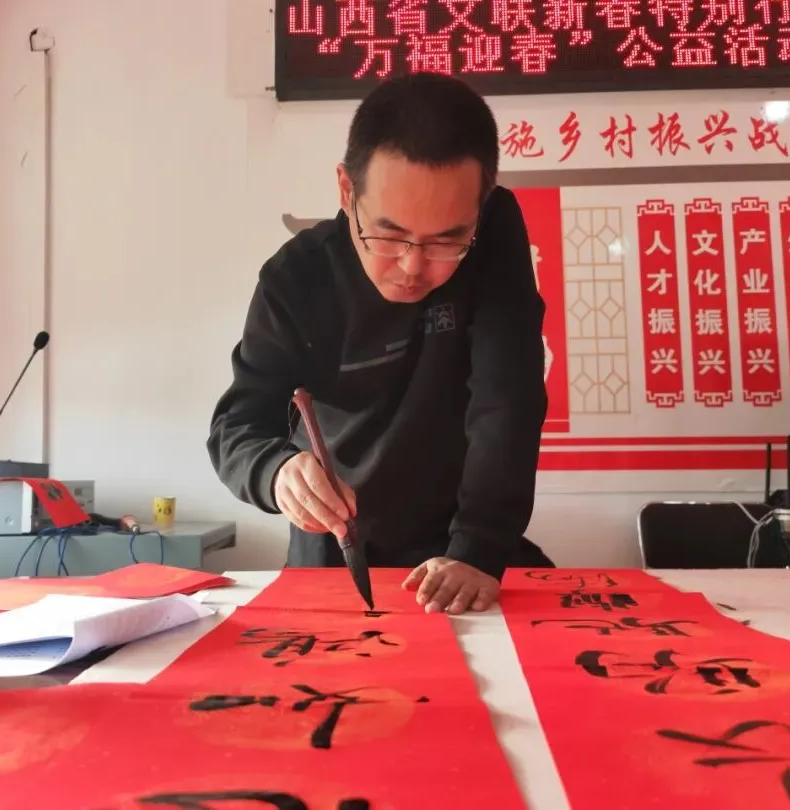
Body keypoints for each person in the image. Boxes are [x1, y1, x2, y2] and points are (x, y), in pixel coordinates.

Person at [207, 73, 552, 615]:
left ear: (480, 208)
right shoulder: (298, 277)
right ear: (347, 192)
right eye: (389, 235)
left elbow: (506, 399)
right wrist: (277, 472)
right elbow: (237, 427)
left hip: (458, 541)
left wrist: (479, 548)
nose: (413, 266)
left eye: (446, 241)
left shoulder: (494, 235)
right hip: (340, 548)